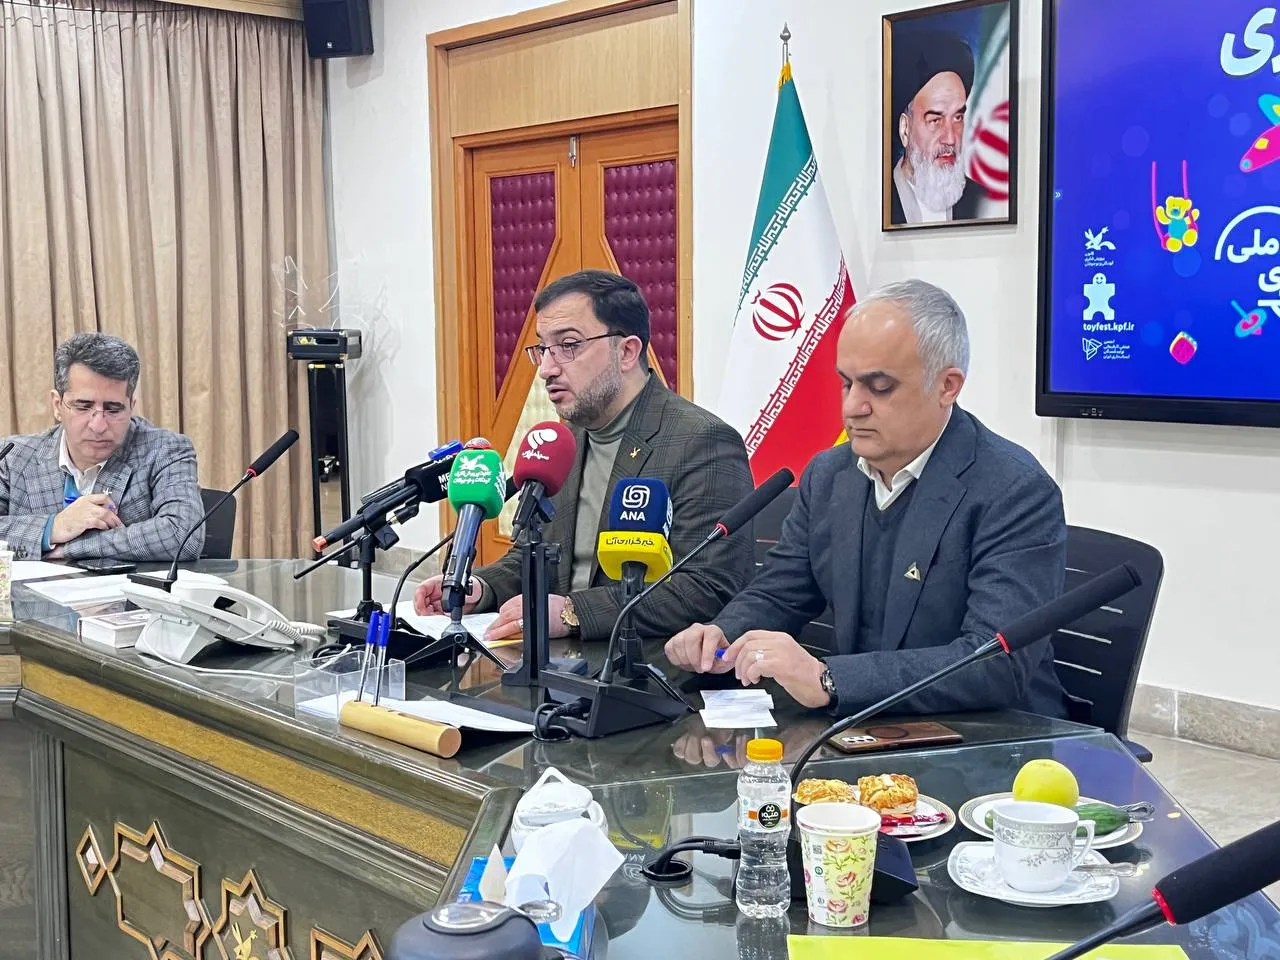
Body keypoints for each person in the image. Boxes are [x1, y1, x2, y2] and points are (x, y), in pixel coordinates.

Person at [665, 279, 1069, 719]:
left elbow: (995, 661)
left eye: (879, 387)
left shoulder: (1014, 490)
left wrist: (830, 680)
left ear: (947, 386)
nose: (852, 407)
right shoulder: (830, 474)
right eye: (846, 384)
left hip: (992, 736)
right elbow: (781, 593)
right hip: (862, 726)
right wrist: (722, 635)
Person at [415, 269, 756, 643]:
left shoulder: (703, 442)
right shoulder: (561, 444)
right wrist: (481, 587)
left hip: (646, 662)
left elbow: (705, 587)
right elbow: (530, 556)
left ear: (626, 352)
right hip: (554, 658)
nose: (547, 369)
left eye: (568, 345)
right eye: (543, 349)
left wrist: (573, 611)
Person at [0, 333, 205, 562]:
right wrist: (53, 527)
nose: (98, 426)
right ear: (58, 405)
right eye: (83, 406)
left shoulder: (166, 450)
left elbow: (183, 534)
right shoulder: (12, 456)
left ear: (131, 406)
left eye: (113, 409)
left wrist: (69, 549)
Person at [889, 29, 986, 226]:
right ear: (905, 129)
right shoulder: (875, 203)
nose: (950, 138)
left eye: (957, 117)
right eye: (935, 120)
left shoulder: (984, 202)